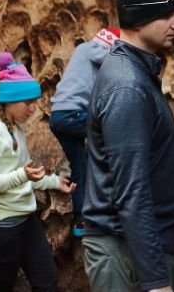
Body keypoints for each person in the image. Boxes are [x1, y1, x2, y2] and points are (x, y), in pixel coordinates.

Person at [81, 0, 174, 292]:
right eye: (166, 16)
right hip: (127, 256)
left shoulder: (135, 73)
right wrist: (155, 280)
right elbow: (131, 189)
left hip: (137, 250)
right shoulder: (127, 86)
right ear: (139, 20)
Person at [0, 52, 76, 291]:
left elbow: (26, 175)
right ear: (9, 101)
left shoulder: (14, 128)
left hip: (25, 220)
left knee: (47, 280)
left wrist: (54, 183)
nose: (33, 109)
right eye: (28, 102)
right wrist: (22, 176)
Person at [49, 27, 120, 237]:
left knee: (80, 168)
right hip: (73, 115)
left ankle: (82, 221)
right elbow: (113, 59)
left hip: (58, 118)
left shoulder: (82, 51)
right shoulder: (94, 51)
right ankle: (108, 208)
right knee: (111, 136)